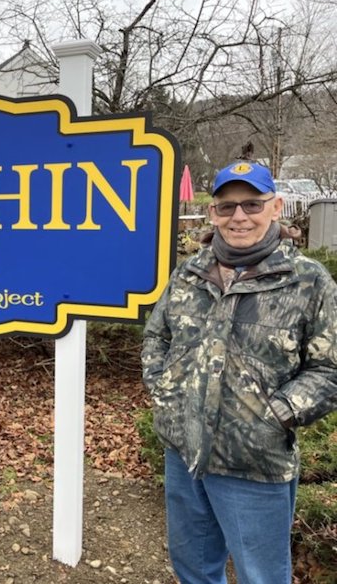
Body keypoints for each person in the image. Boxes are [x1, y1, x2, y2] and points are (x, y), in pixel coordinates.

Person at [141, 160, 337, 583]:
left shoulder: (308, 281)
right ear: (213, 213)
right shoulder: (189, 273)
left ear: (276, 207)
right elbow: (157, 337)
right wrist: (165, 394)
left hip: (254, 462)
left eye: (252, 204)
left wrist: (277, 413)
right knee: (193, 568)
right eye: (227, 207)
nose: (239, 217)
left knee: (261, 575)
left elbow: (328, 369)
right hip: (183, 451)